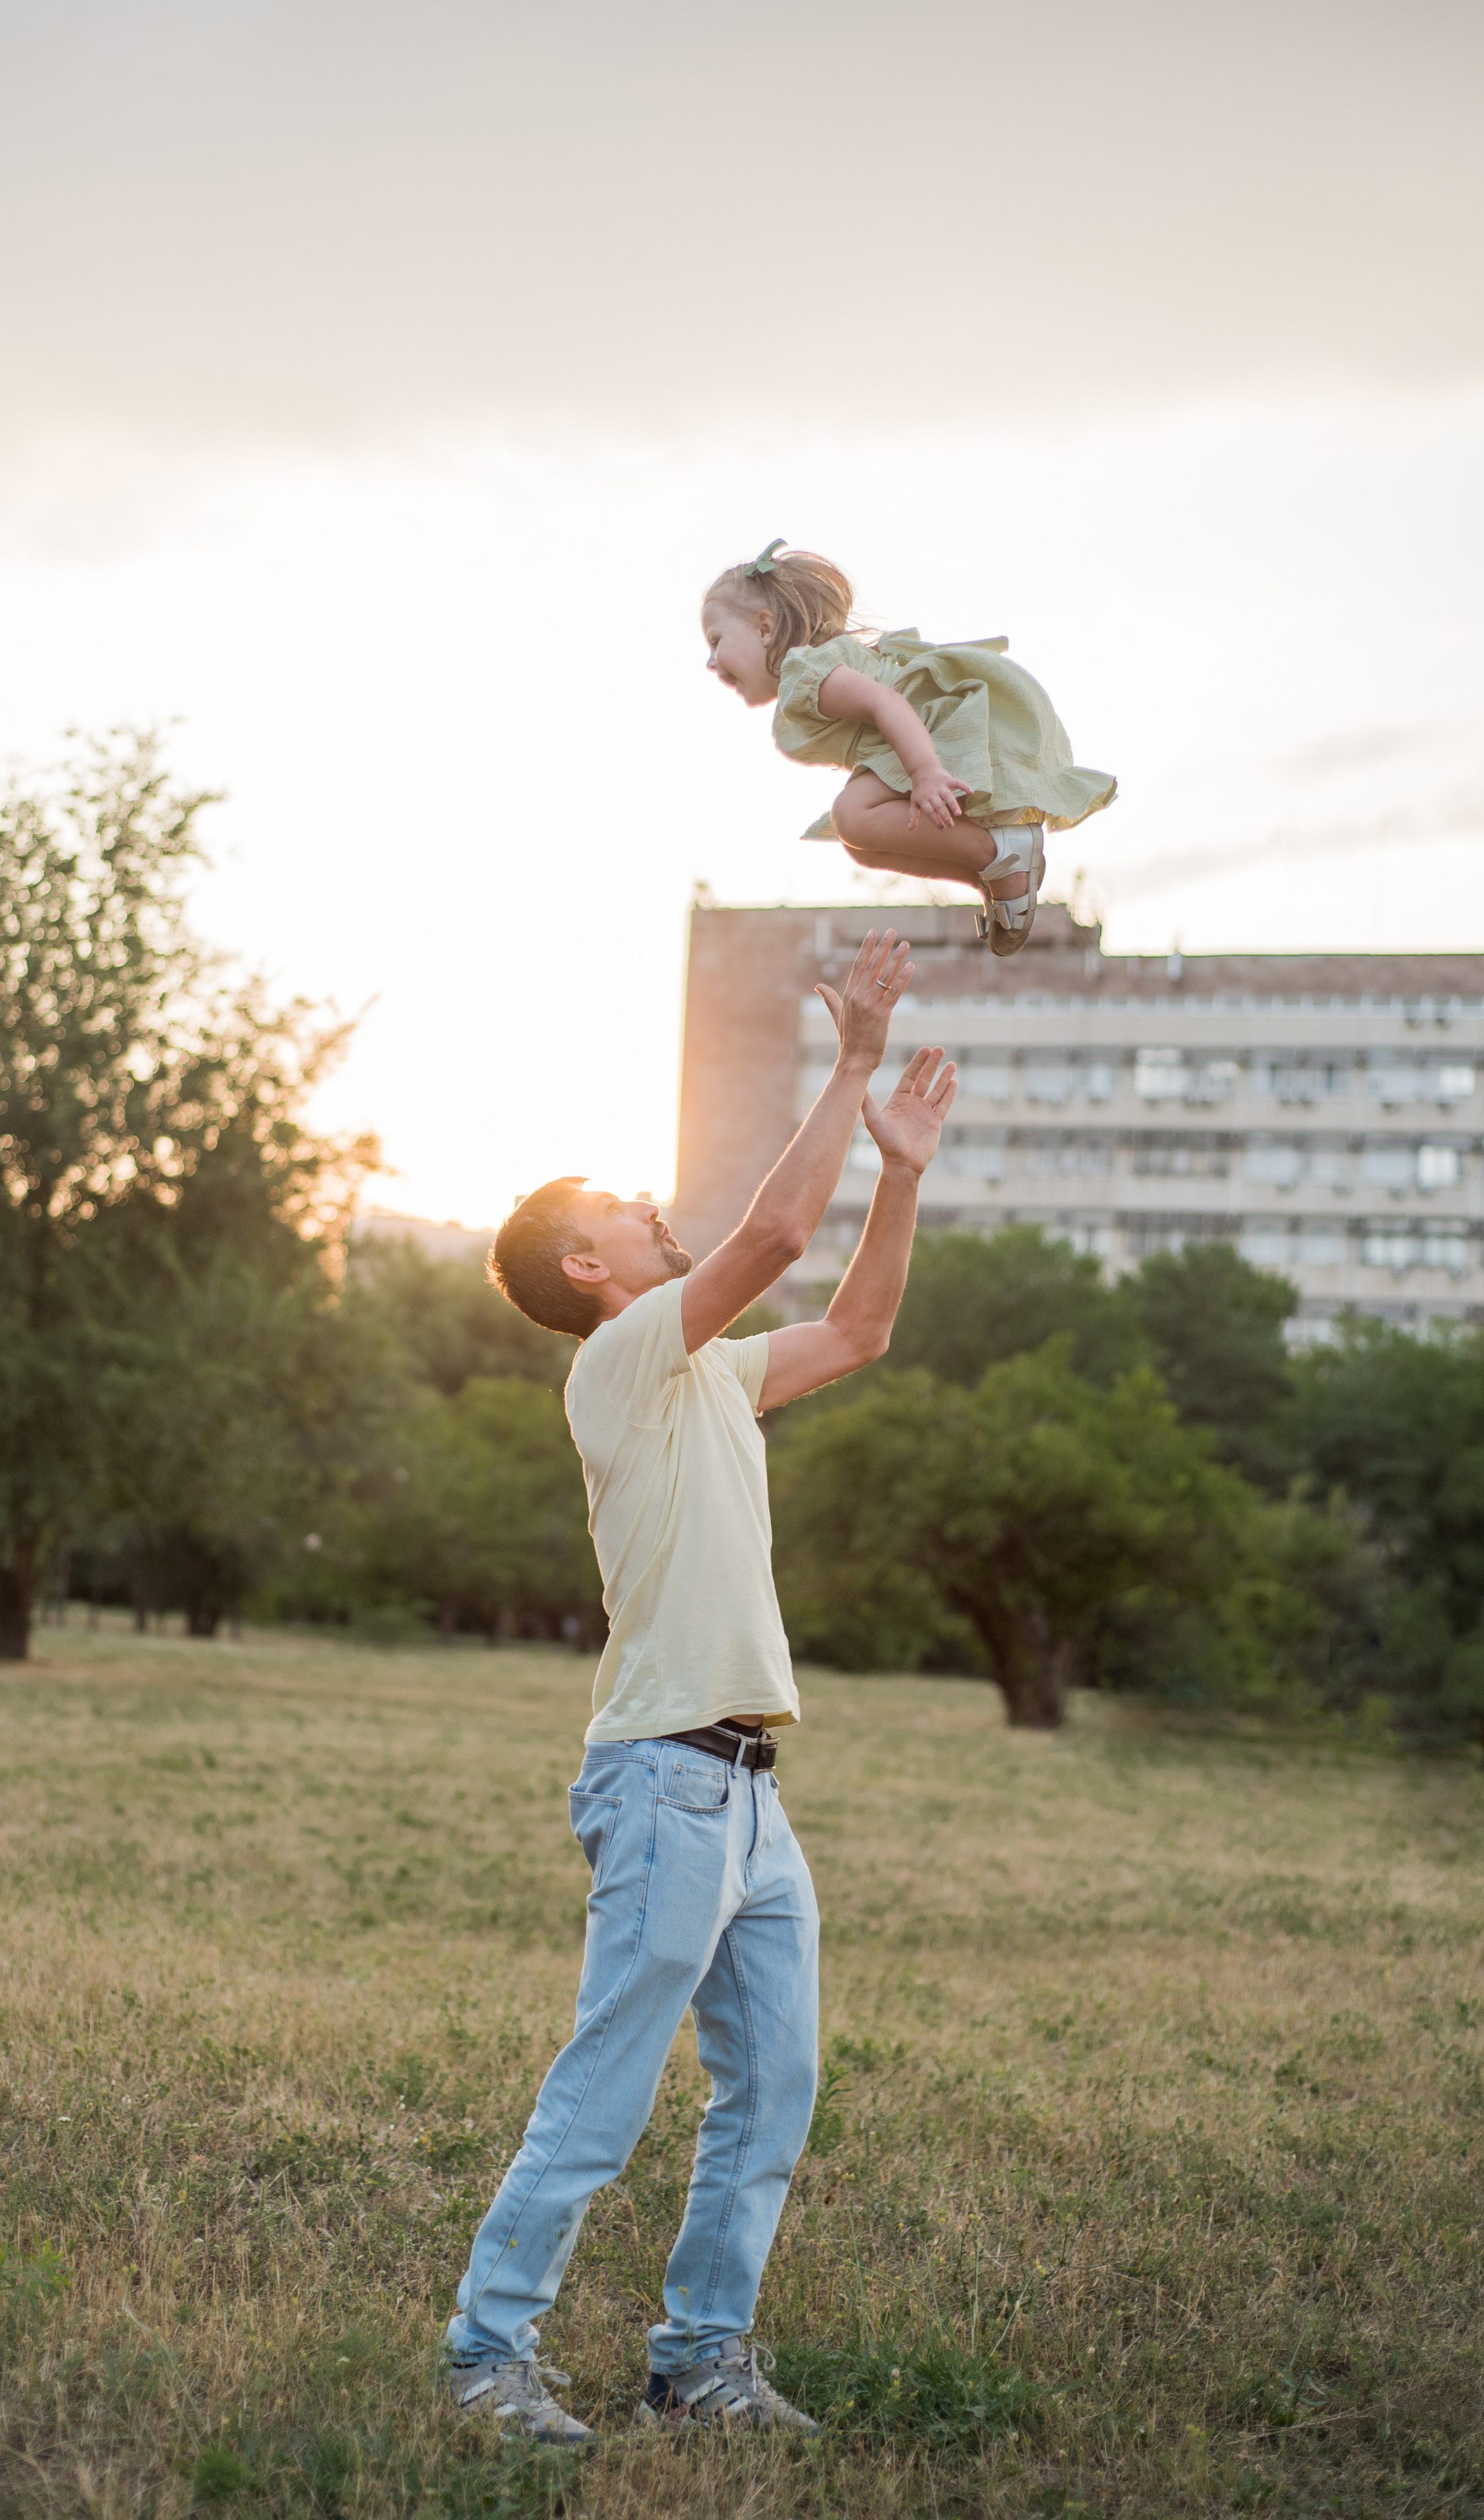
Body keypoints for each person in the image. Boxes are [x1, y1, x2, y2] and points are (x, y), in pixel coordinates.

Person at [444, 930, 957, 2442]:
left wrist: (902, 1169)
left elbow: (855, 1323)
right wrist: (849, 1062)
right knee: (606, 2085)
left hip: (746, 1791)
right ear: (588, 1267)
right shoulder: (613, 1362)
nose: (655, 1208)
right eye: (626, 1206)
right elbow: (771, 1236)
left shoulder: (717, 1375)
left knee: (771, 2087)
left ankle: (696, 2363)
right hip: (660, 1775)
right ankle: (485, 2354)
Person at [702, 539, 1117, 958]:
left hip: (936, 726)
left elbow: (888, 702)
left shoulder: (807, 675)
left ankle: (1001, 853)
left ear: (765, 628)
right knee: (861, 842)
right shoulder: (807, 679)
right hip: (919, 737)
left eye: (716, 641)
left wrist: (925, 773)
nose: (711, 661)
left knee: (852, 816)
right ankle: (993, 872)